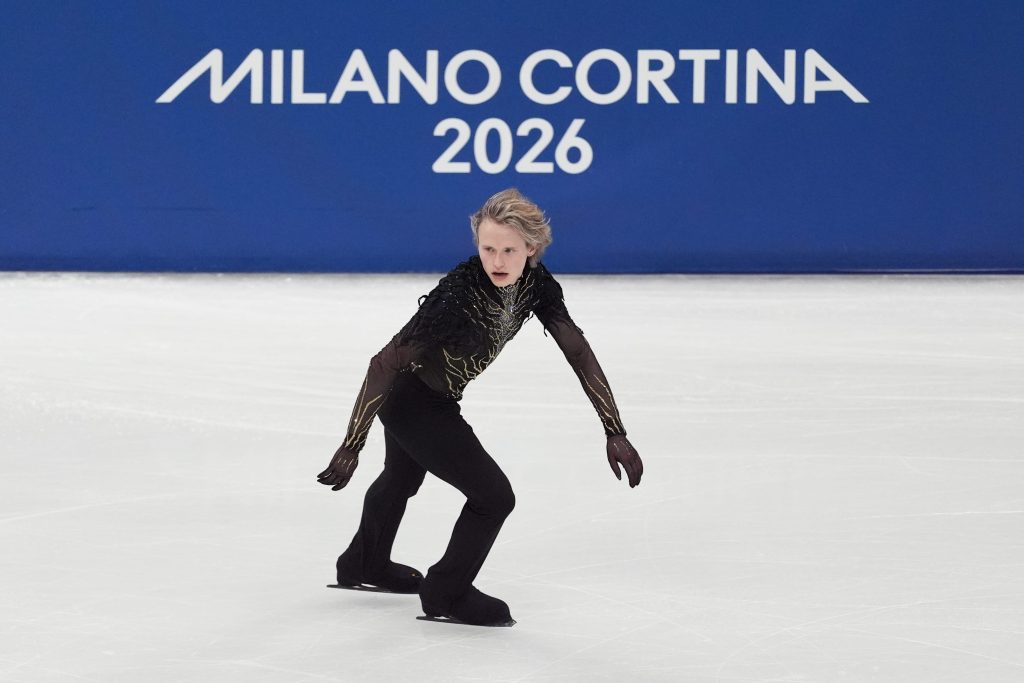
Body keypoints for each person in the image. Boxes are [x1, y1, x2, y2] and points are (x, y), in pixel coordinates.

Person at [316, 188, 643, 627]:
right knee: (493, 497)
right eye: (488, 249)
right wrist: (352, 443)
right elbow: (385, 363)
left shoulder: (537, 286)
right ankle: (445, 592)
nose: (498, 261)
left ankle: (363, 563)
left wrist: (614, 429)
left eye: (509, 250)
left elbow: (577, 351)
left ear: (531, 248)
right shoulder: (458, 292)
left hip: (433, 398)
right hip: (411, 401)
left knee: (401, 477)